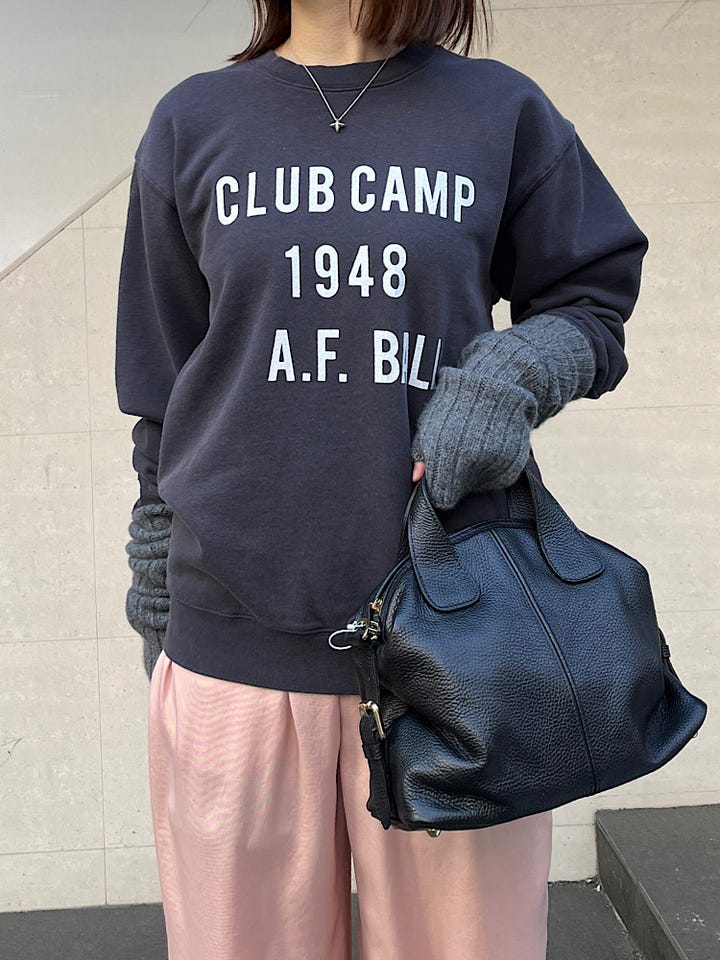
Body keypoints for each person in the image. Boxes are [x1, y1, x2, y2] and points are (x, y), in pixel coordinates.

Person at [115, 0, 649, 957]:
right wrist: (158, 595)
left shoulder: (500, 111)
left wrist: (510, 374)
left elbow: (591, 296)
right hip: (233, 647)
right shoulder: (192, 121)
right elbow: (163, 390)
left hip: (462, 651)